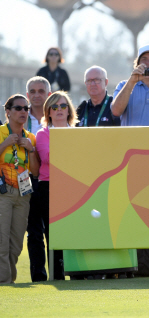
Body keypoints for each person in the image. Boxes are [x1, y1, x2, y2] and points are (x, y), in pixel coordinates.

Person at [36, 91, 79, 281]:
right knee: (53, 232)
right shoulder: (42, 133)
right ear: (49, 112)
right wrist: (71, 153)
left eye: (63, 106)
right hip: (49, 186)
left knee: (74, 229)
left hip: (75, 186)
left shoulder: (80, 132)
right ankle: (57, 275)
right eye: (55, 107)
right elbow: (47, 158)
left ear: (69, 110)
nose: (60, 110)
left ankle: (78, 273)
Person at [0, 94, 40, 284]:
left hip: (24, 194)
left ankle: (9, 279)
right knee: (1, 241)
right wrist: (4, 145)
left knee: (16, 244)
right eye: (19, 108)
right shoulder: (0, 132)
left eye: (26, 108)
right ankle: (5, 283)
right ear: (8, 112)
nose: (24, 111)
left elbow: (35, 171)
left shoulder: (30, 137)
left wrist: (31, 150)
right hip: (3, 193)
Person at [24, 77, 50, 282]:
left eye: (41, 91)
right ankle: (39, 277)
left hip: (51, 181)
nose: (36, 95)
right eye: (32, 91)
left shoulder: (56, 118)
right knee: (34, 232)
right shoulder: (20, 118)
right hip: (27, 180)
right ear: (27, 95)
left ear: (48, 95)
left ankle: (59, 274)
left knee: (54, 231)